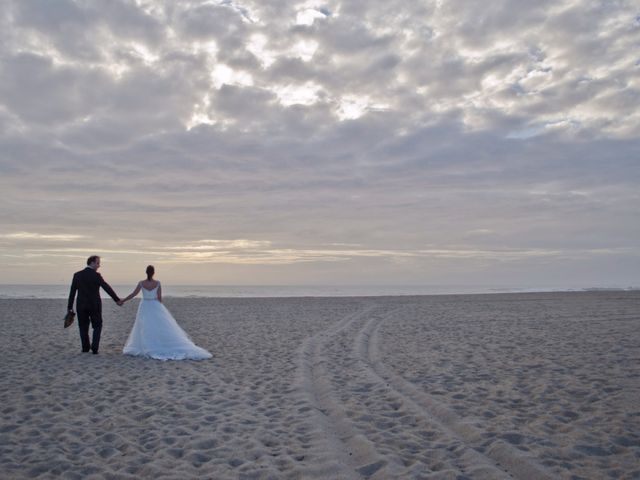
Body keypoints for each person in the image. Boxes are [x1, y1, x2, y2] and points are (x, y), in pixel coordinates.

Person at [121, 265, 211, 360]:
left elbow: (133, 294)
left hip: (145, 305)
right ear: (153, 273)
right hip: (155, 305)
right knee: (157, 325)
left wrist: (123, 300)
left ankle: (147, 345)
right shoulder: (158, 283)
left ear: (146, 272)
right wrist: (157, 304)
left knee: (145, 326)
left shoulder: (141, 283)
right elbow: (159, 298)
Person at [68, 255, 123, 354]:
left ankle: (85, 348)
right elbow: (106, 287)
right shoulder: (96, 276)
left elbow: (72, 292)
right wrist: (117, 300)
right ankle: (94, 348)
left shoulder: (77, 275)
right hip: (94, 305)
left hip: (81, 305)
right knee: (97, 325)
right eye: (97, 263)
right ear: (91, 263)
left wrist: (69, 307)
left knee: (83, 326)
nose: (99, 266)